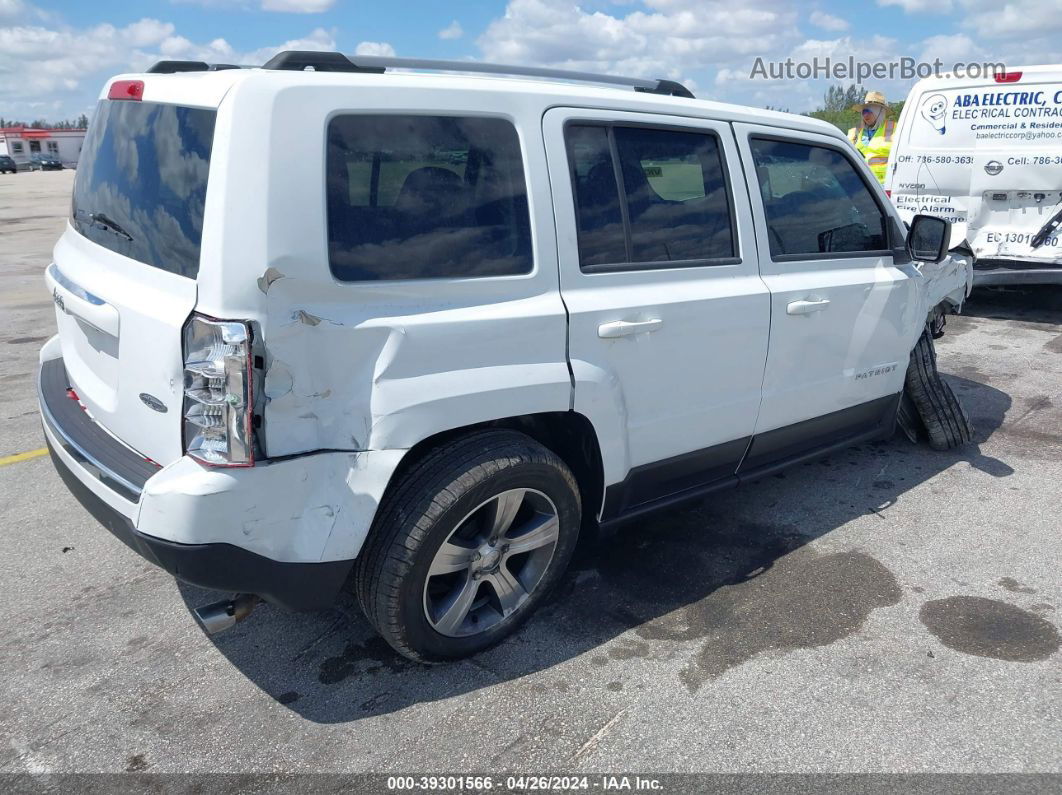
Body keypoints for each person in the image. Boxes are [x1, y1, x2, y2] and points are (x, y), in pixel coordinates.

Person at [847, 90, 895, 185]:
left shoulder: (895, 129)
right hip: (860, 184)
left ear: (880, 112)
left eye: (869, 111)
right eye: (864, 111)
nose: (865, 115)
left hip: (885, 185)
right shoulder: (854, 132)